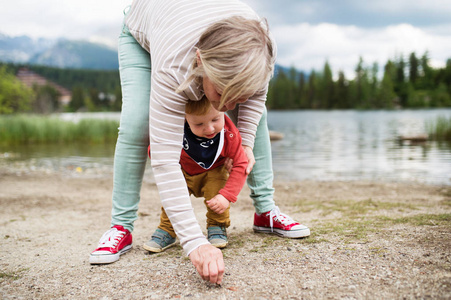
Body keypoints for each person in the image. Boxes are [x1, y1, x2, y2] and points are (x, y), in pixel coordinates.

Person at [89, 0, 310, 284]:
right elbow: (165, 159)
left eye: (235, 98)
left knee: (257, 116)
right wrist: (195, 243)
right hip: (144, 33)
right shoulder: (174, 66)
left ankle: (265, 211)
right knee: (136, 123)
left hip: (198, 33)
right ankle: (121, 227)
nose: (227, 107)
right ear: (200, 63)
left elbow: (255, 98)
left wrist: (246, 143)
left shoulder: (262, 48)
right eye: (222, 95)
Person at [144, 97, 248, 253]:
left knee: (217, 196)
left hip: (214, 170)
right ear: (185, 118)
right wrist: (159, 155)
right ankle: (167, 229)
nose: (210, 129)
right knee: (173, 194)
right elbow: (157, 148)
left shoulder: (229, 135)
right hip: (183, 171)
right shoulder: (176, 127)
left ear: (223, 110)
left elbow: (241, 164)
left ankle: (217, 226)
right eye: (199, 124)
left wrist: (227, 196)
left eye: (215, 119)